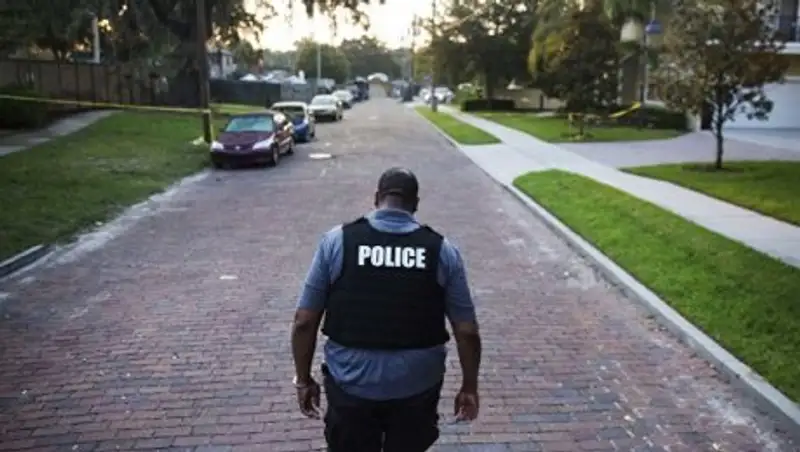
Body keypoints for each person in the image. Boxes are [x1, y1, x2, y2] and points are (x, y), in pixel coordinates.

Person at [290, 167, 482, 452]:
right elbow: (466, 331)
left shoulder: (337, 241)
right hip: (416, 382)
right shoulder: (442, 250)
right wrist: (469, 387)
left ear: (376, 197)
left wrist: (304, 380)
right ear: (415, 204)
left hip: (351, 381)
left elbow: (304, 321)